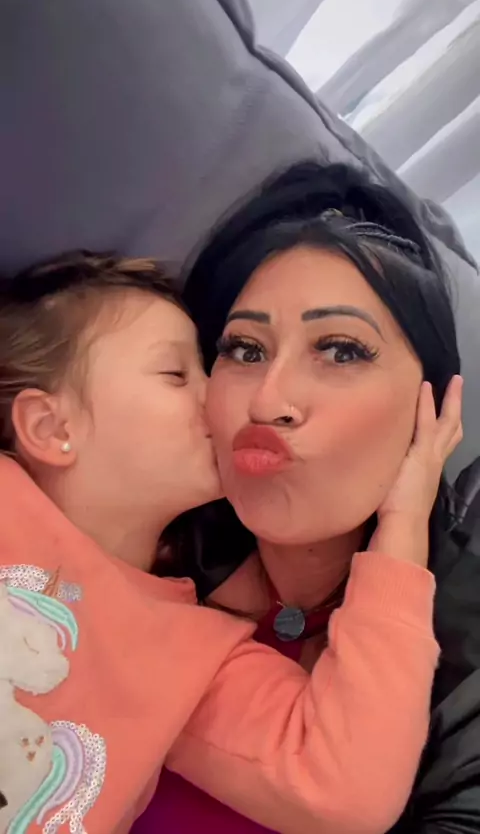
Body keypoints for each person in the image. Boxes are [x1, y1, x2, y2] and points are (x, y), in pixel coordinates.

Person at [0, 251, 456, 834]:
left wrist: (404, 523)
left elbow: (347, 790)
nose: (225, 398)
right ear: (51, 427)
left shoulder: (191, 653)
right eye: (176, 375)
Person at [133, 162, 476, 834]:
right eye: (244, 349)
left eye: (341, 351)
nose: (268, 400)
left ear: (432, 409)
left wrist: (401, 533)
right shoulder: (142, 546)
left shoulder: (462, 663)